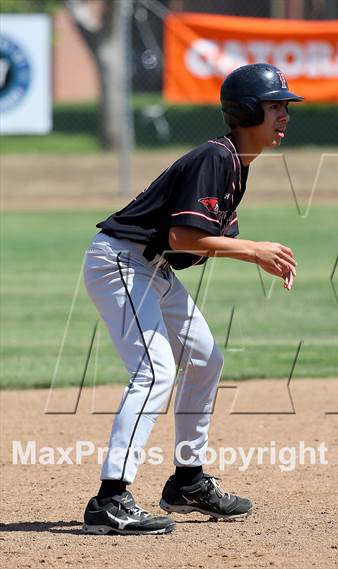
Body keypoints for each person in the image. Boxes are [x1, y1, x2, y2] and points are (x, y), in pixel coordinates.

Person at [82, 63, 303, 535]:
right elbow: (184, 236)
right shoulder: (216, 158)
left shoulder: (236, 164)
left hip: (149, 267)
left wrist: (251, 253)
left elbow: (194, 242)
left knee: (205, 359)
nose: (284, 115)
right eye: (274, 107)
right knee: (156, 369)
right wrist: (255, 250)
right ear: (245, 111)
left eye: (285, 107)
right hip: (119, 262)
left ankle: (187, 480)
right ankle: (110, 498)